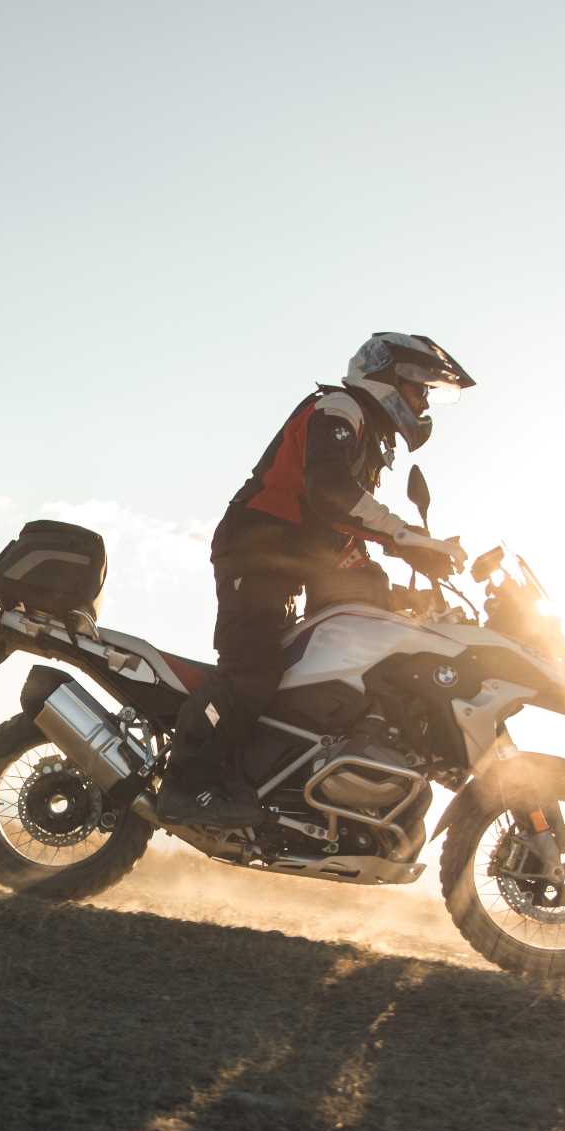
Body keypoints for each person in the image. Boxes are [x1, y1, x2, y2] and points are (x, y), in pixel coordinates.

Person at [156, 332, 476, 827]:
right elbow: (331, 494)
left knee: (333, 661)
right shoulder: (339, 409)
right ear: (390, 378)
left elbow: (343, 543)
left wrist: (395, 600)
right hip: (257, 554)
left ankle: (289, 782)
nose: (425, 402)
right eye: (420, 389)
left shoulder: (367, 437)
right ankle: (188, 785)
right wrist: (407, 537)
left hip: (291, 563)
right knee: (254, 670)